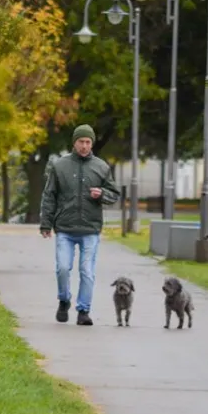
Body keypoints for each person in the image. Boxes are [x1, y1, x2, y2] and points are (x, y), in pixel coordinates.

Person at [39, 124, 120, 326]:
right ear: (74, 143)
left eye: (88, 142)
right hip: (65, 228)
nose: (84, 146)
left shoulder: (101, 167)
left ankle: (83, 310)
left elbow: (114, 194)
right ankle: (64, 299)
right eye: (81, 142)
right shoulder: (60, 166)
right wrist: (46, 223)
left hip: (90, 229)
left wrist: (102, 194)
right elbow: (49, 196)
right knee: (63, 268)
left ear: (92, 144)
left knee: (87, 271)